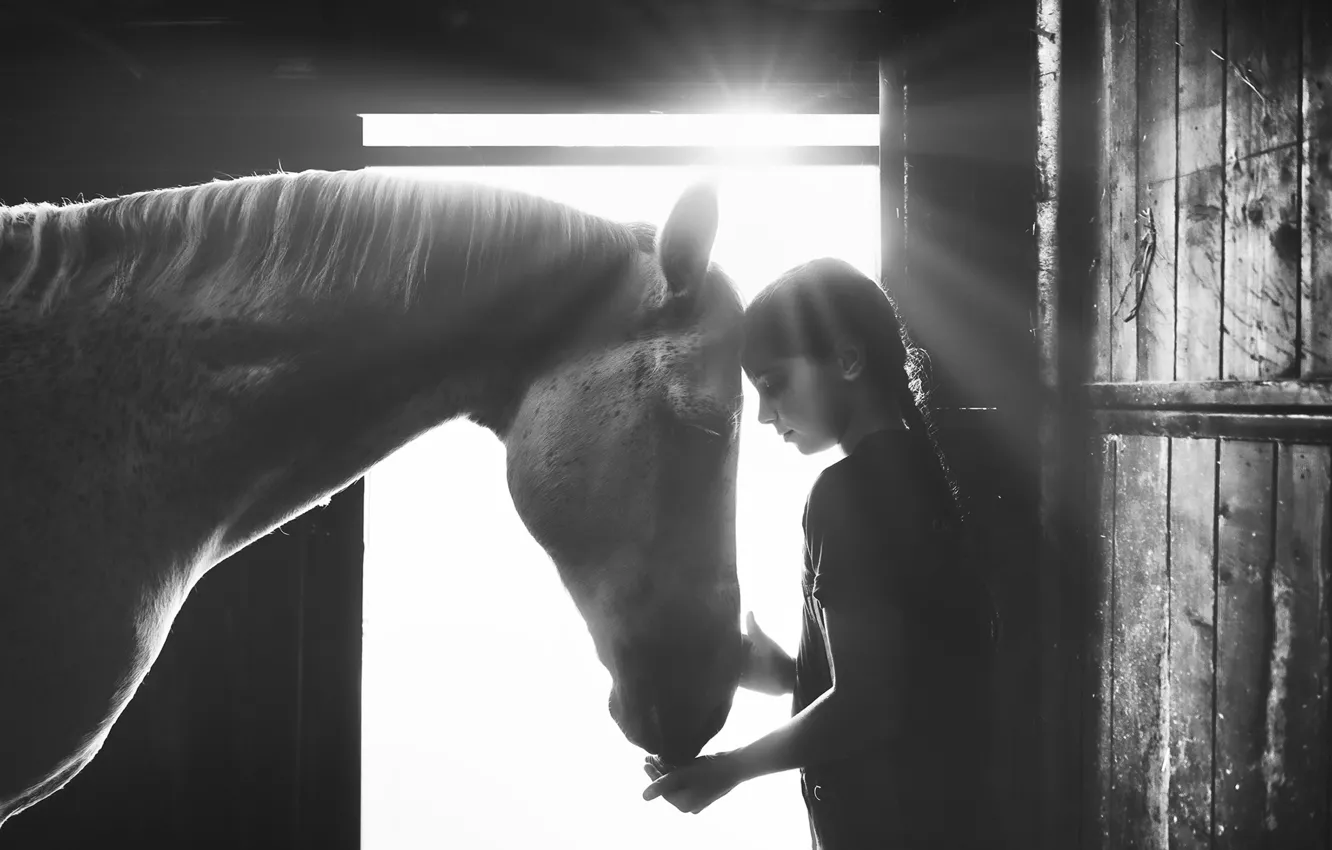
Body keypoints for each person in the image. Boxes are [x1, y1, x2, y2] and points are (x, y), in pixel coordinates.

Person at [641, 258, 998, 849]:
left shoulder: (845, 494)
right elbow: (915, 675)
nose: (762, 414)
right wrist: (789, 674)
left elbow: (868, 705)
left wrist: (726, 770)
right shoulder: (931, 475)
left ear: (849, 360)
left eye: (773, 382)